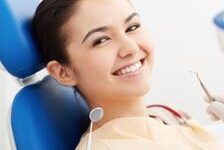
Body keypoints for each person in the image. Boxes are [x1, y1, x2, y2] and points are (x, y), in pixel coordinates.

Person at [32, 0, 222, 149]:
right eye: (101, 40)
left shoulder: (162, 115)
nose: (130, 48)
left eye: (132, 27)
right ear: (63, 72)